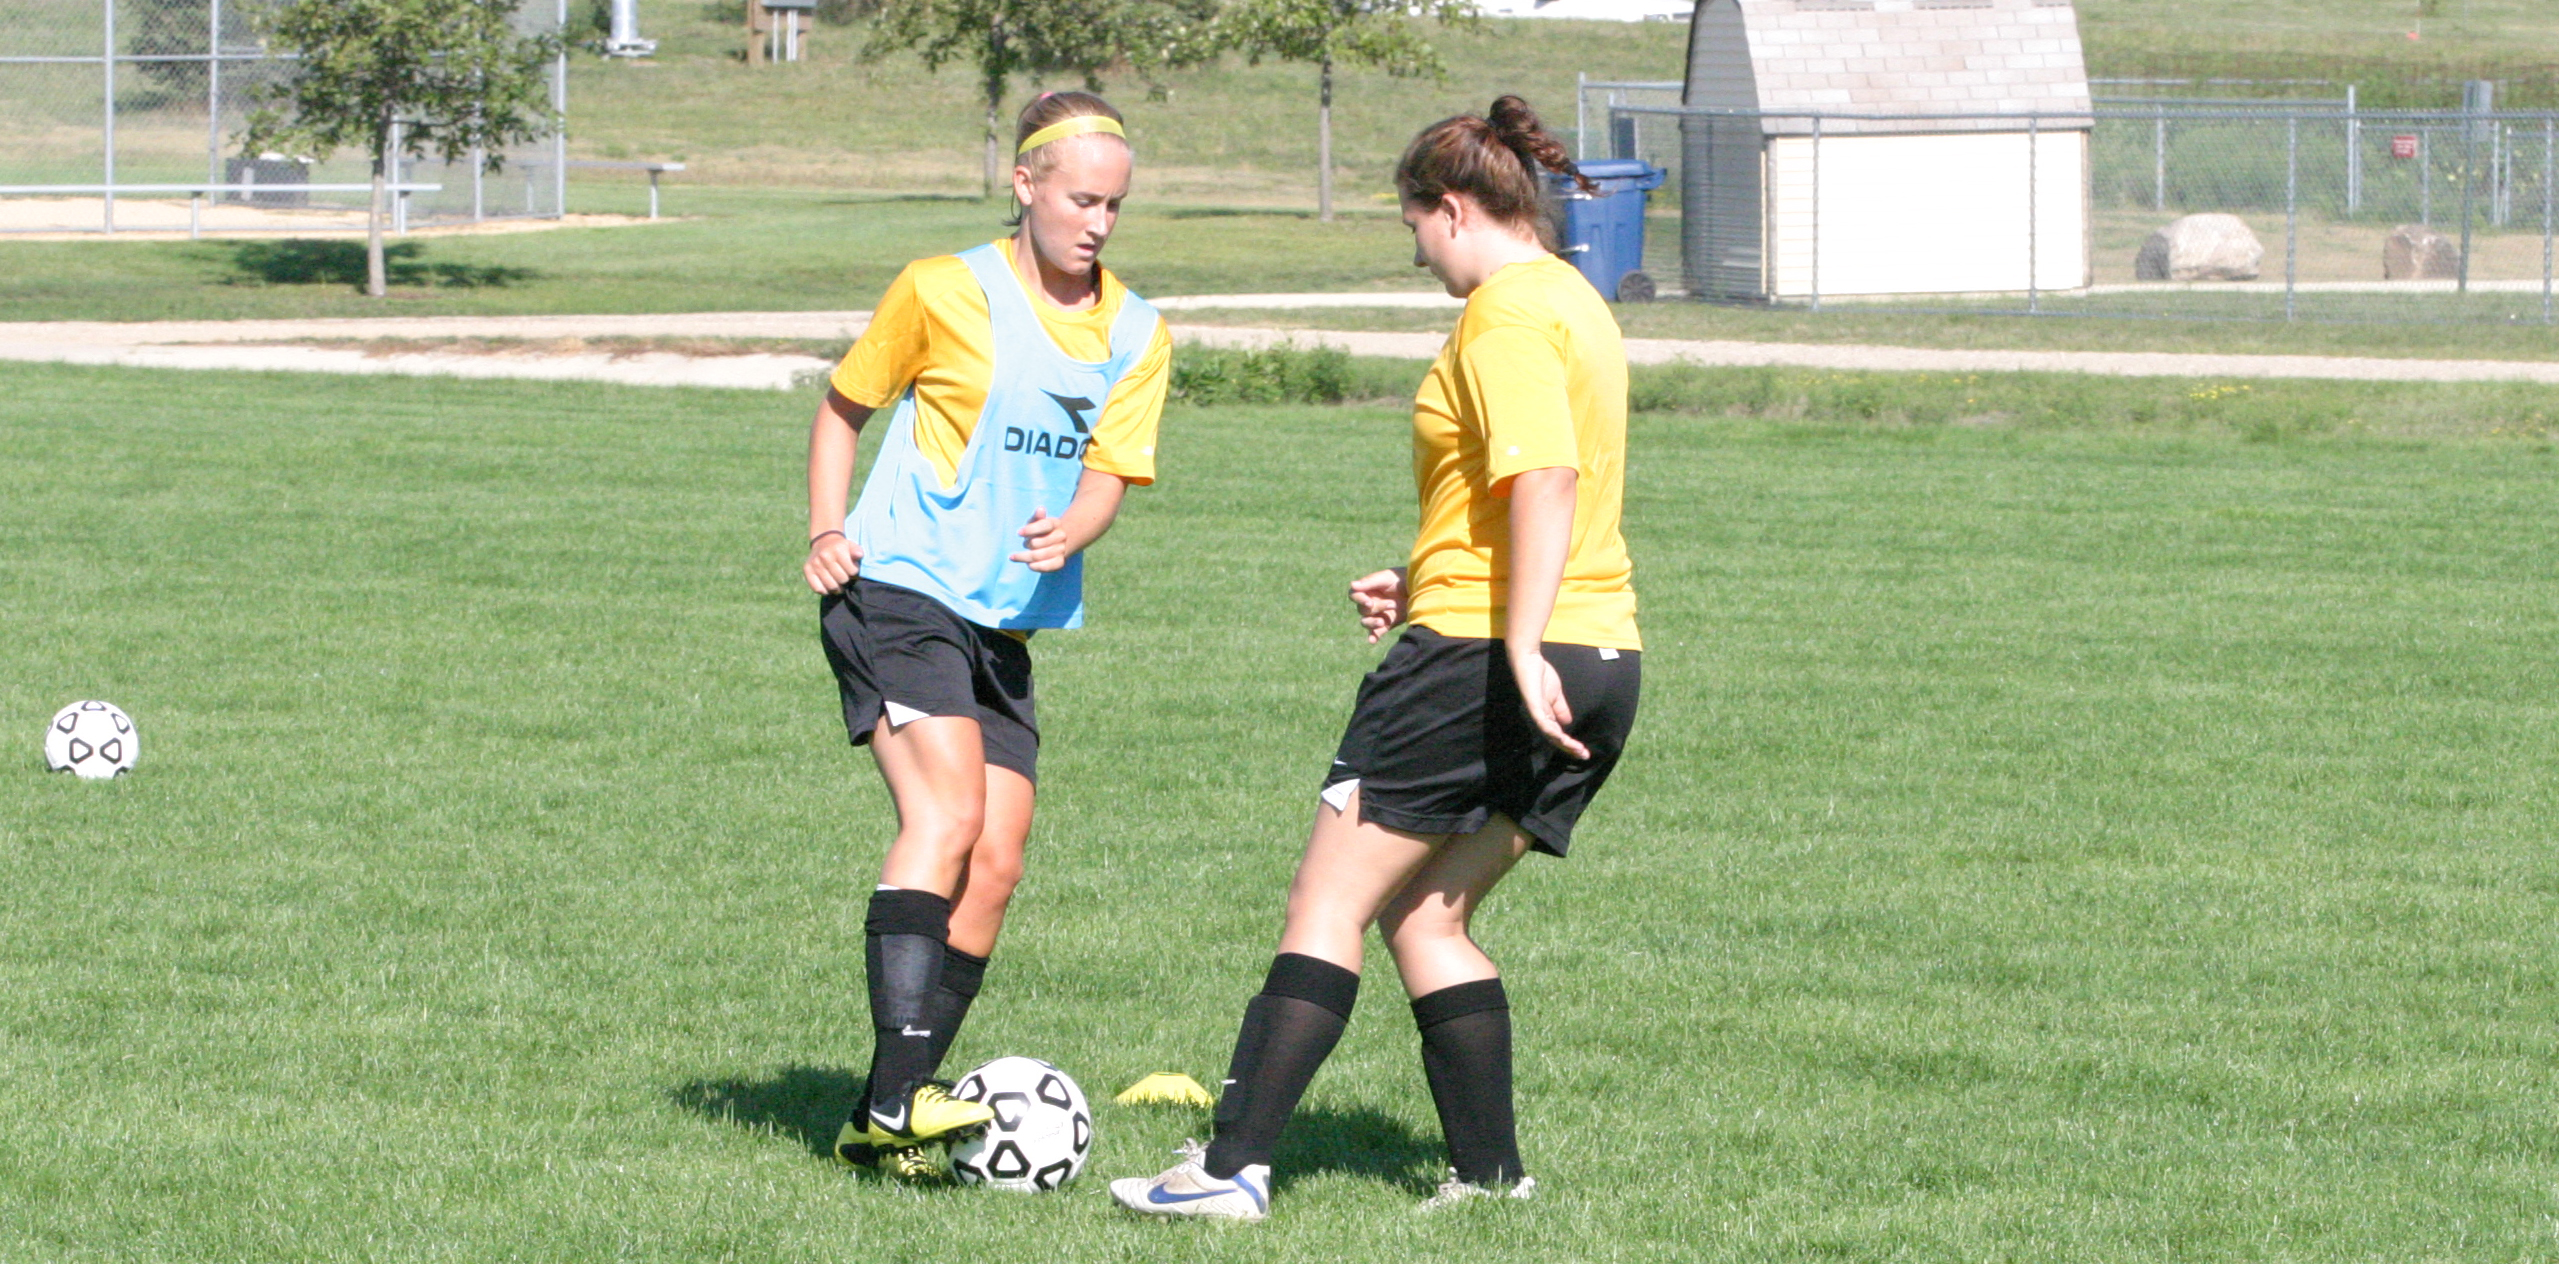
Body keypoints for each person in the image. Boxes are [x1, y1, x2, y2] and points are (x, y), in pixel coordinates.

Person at [1110, 95, 1642, 1222]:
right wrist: (1430, 573)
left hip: (1490, 660)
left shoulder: (1501, 315)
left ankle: (1230, 1167)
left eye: (1414, 227)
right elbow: (1527, 495)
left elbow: (1544, 476)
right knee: (1430, 917)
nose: (1416, 252)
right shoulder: (1577, 303)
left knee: (1327, 900)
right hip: (1599, 657)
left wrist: (1500, 630)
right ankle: (1493, 1180)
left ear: (1453, 209)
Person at [804, 90, 1170, 1181]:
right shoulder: (943, 288)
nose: (1097, 222)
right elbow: (842, 407)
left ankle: (896, 1106)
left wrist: (1079, 526)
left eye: (1114, 204)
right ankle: (898, 1097)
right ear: (1025, 185)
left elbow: (1110, 469)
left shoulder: (1139, 331)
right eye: (1080, 199)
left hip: (1001, 622)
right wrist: (827, 525)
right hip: (900, 588)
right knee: (949, 813)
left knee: (998, 863)